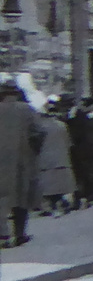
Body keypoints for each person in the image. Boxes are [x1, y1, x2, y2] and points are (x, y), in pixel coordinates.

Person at [0, 82, 44, 248]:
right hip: (22, 161)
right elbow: (39, 132)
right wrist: (33, 151)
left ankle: (2, 235)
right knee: (22, 198)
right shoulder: (27, 110)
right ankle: (19, 234)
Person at [67, 98, 93, 210]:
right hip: (83, 151)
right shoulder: (79, 117)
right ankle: (83, 197)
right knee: (83, 175)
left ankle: (91, 197)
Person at [35, 102, 74, 216]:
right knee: (60, 184)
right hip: (61, 159)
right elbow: (68, 143)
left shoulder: (40, 127)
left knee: (47, 186)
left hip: (44, 160)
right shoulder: (62, 125)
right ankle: (61, 202)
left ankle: (49, 206)